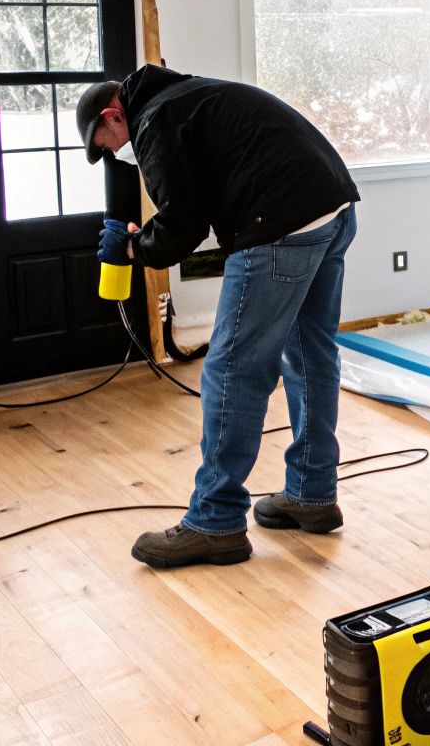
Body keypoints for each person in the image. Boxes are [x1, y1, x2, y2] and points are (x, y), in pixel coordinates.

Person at [77, 66, 360, 568]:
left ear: (113, 115)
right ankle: (312, 493)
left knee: (233, 369)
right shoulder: (188, 97)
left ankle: (216, 521)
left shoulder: (154, 120)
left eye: (109, 145)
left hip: (280, 224)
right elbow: (197, 203)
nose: (118, 155)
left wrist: (132, 248)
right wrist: (146, 240)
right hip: (332, 207)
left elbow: (183, 224)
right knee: (309, 354)